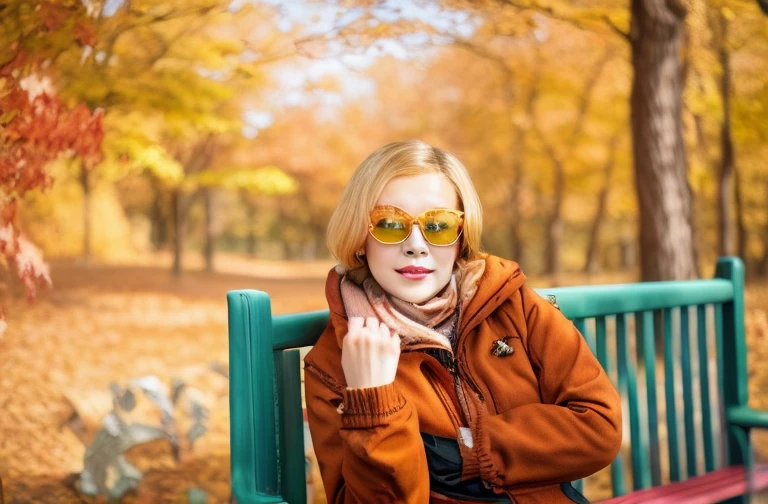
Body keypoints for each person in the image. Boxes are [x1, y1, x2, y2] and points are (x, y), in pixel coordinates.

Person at [303, 140, 622, 503]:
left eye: (438, 225)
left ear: (460, 236)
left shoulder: (514, 305)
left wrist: (465, 452)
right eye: (390, 224)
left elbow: (599, 427)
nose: (416, 245)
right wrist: (372, 401)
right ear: (361, 237)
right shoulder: (332, 364)